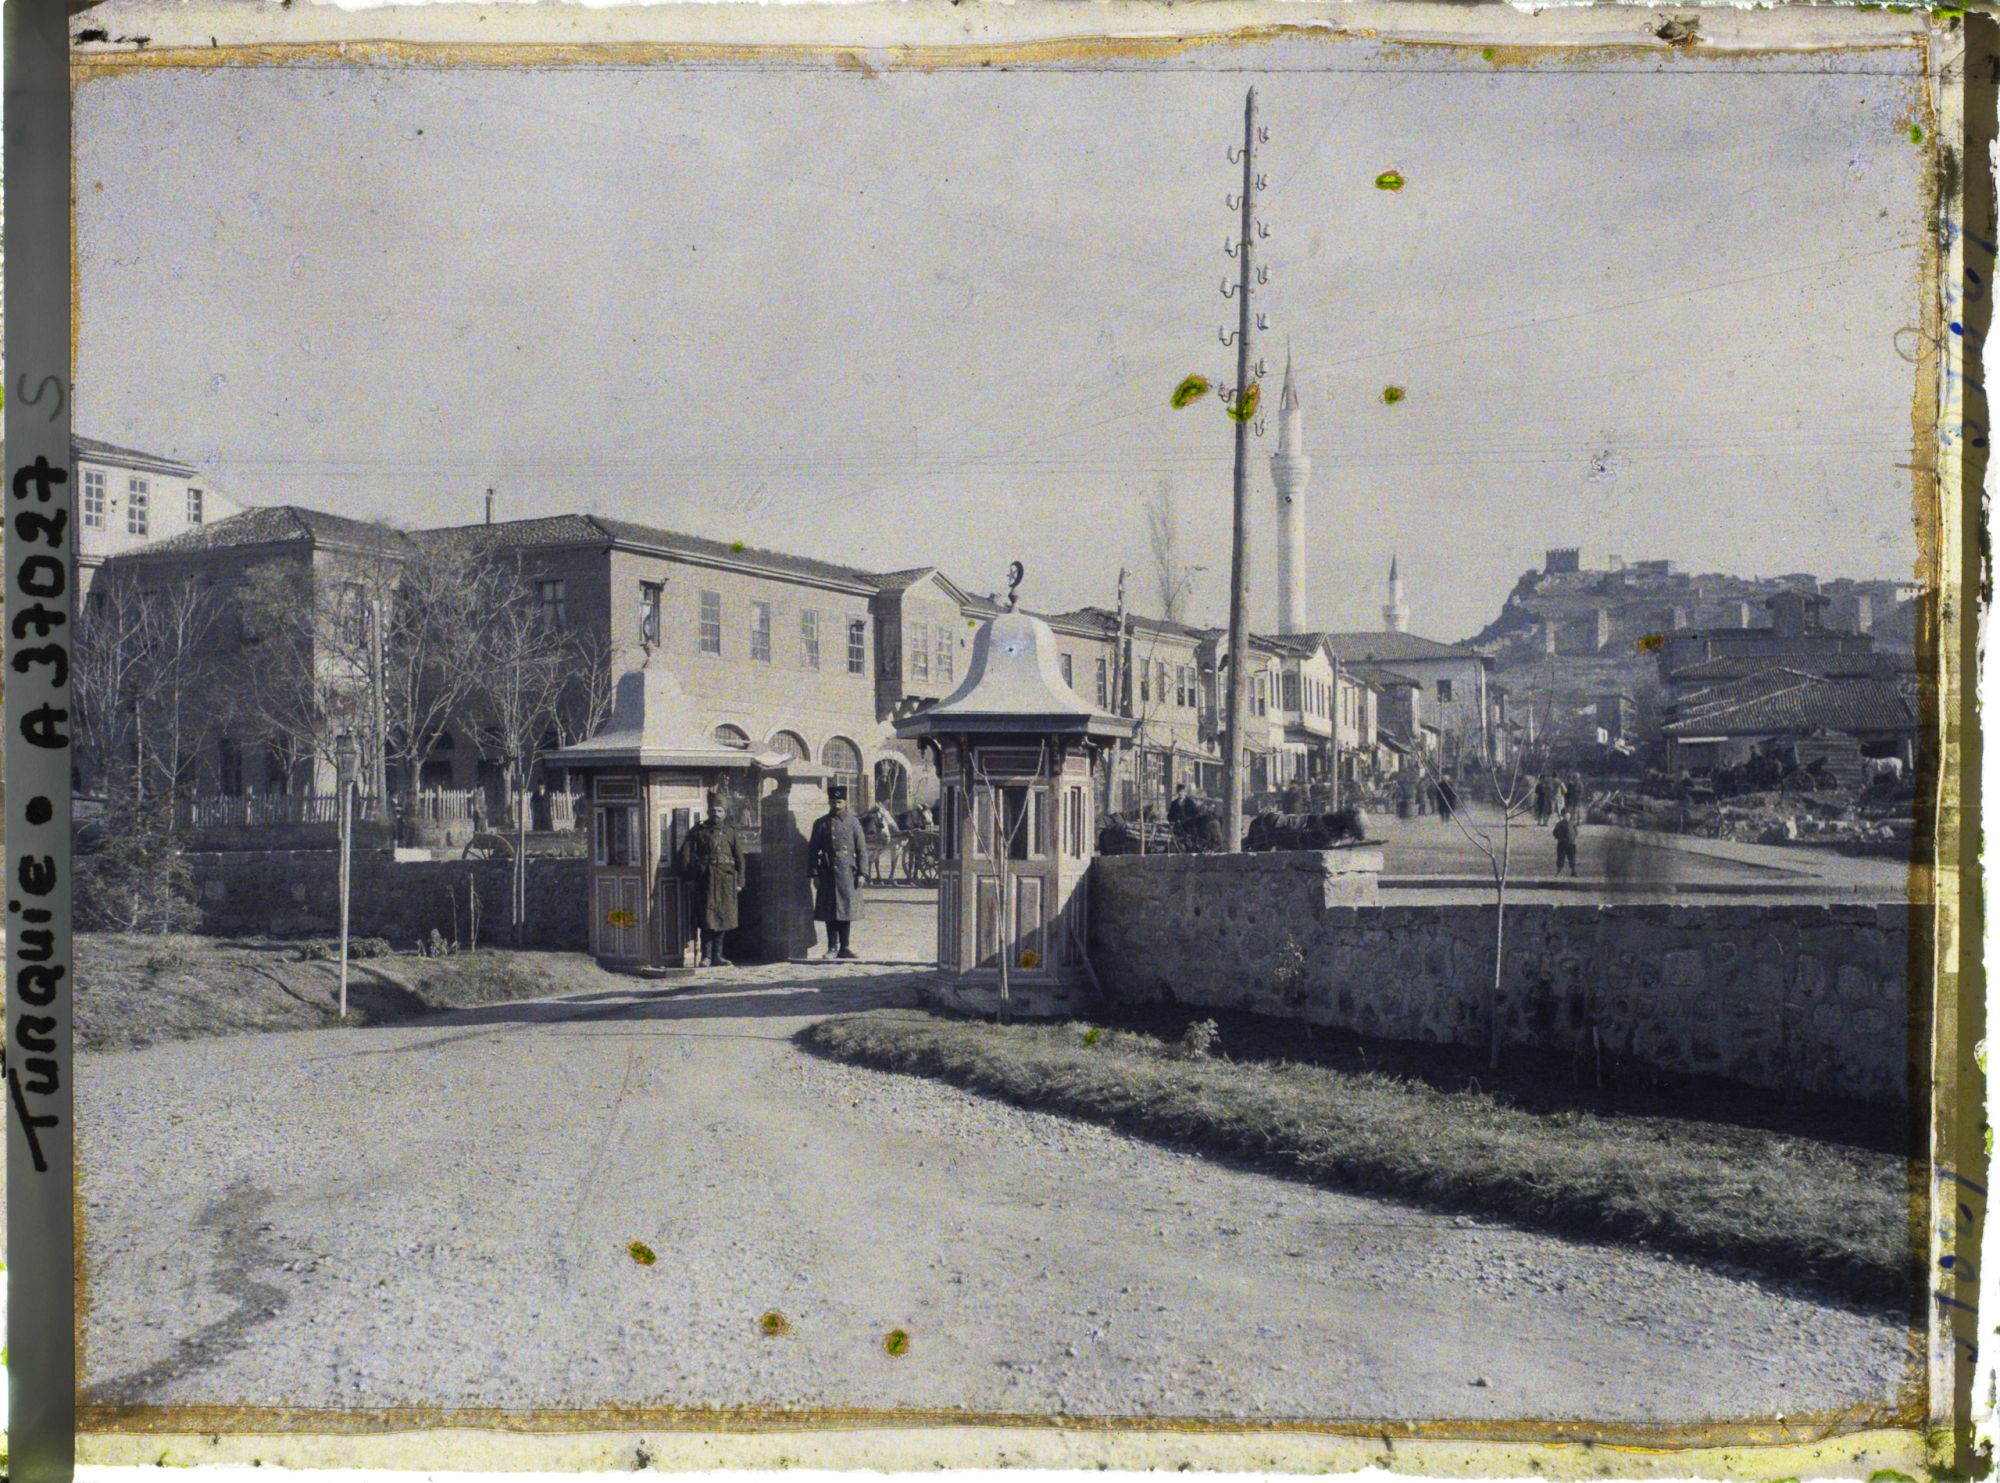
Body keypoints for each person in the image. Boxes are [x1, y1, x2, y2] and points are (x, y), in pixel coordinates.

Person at [677, 788, 746, 966]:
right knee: (707, 918)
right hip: (705, 879)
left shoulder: (731, 832)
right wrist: (689, 878)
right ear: (708, 812)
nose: (716, 813)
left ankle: (718, 955)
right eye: (713, 810)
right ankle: (705, 956)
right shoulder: (699, 831)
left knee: (723, 917)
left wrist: (740, 882)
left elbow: (740, 859)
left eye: (720, 811)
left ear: (725, 813)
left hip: (726, 880)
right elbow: (685, 854)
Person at [809, 784, 870, 960]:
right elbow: (812, 850)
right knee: (830, 911)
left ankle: (845, 947)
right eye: (833, 802)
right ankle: (831, 948)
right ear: (829, 802)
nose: (836, 805)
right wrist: (814, 874)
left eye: (840, 802)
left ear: (845, 802)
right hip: (827, 873)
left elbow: (861, 849)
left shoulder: (853, 822)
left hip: (847, 873)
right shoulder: (820, 823)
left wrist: (861, 873)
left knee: (846, 910)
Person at [1553, 807, 1579, 878]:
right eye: (1565, 815)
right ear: (1562, 816)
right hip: (1562, 844)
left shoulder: (1572, 823)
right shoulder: (1559, 824)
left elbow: (1576, 832)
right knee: (1560, 858)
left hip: (1571, 843)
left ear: (1570, 815)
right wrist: (1559, 837)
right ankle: (1558, 871)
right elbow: (1555, 832)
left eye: (1568, 815)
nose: (1567, 817)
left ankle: (1573, 871)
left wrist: (1573, 838)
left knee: (1572, 858)